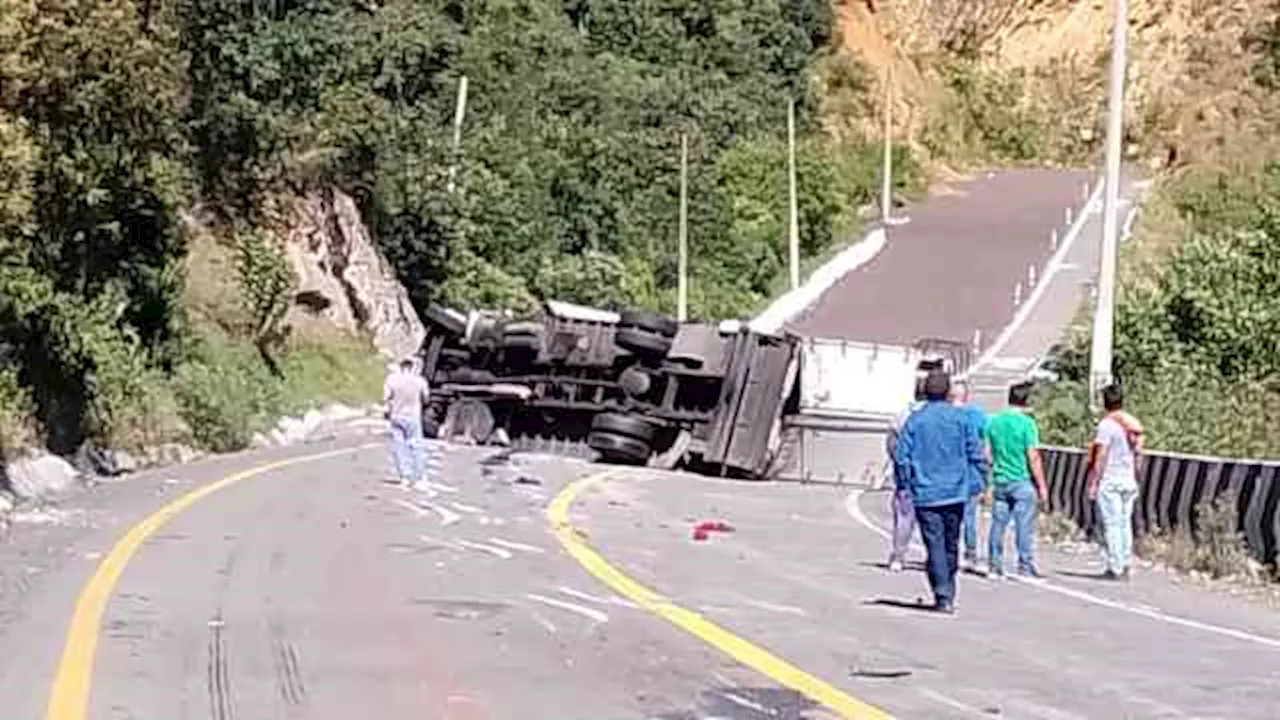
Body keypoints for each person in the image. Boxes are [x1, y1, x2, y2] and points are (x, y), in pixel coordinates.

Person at [894, 371, 988, 613]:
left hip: (926, 492)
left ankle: (942, 593)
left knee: (934, 543)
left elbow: (902, 457)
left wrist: (905, 485)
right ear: (947, 392)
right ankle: (948, 587)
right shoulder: (961, 419)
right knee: (951, 542)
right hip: (956, 490)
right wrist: (980, 481)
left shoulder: (916, 421)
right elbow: (975, 453)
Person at [984, 381, 1048, 578]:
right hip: (1020, 479)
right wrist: (1042, 485)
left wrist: (991, 476)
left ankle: (994, 565)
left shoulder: (993, 421)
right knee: (1023, 525)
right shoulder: (1027, 424)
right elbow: (1033, 456)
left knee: (997, 524)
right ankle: (1025, 565)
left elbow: (986, 453)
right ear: (1026, 401)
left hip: (1000, 480)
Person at [1086, 384, 1144, 580]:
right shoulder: (1131, 423)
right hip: (1128, 480)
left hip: (1111, 480)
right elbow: (1138, 454)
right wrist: (1137, 475)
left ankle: (1115, 567)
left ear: (1105, 402)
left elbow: (1101, 455)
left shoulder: (1106, 425)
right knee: (1124, 523)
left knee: (1111, 524)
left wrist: (1094, 481)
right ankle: (1126, 563)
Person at [884, 380, 927, 572]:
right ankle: (933, 557)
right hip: (933, 475)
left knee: (904, 516)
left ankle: (898, 556)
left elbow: (891, 441)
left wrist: (898, 462)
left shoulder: (904, 414)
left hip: (906, 473)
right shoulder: (942, 415)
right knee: (933, 519)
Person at [948, 379, 988, 569]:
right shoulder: (976, 415)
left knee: (948, 516)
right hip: (972, 475)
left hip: (948, 475)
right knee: (970, 516)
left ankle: (949, 551)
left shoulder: (945, 415)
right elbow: (984, 443)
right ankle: (970, 553)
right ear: (966, 396)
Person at [384, 357, 432, 488]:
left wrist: (389, 410)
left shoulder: (392, 379)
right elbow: (426, 397)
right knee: (416, 445)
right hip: (413, 416)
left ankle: (404, 477)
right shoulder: (419, 381)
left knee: (399, 447)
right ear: (411, 367)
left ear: (401, 367)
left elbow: (387, 398)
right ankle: (419, 477)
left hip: (396, 416)